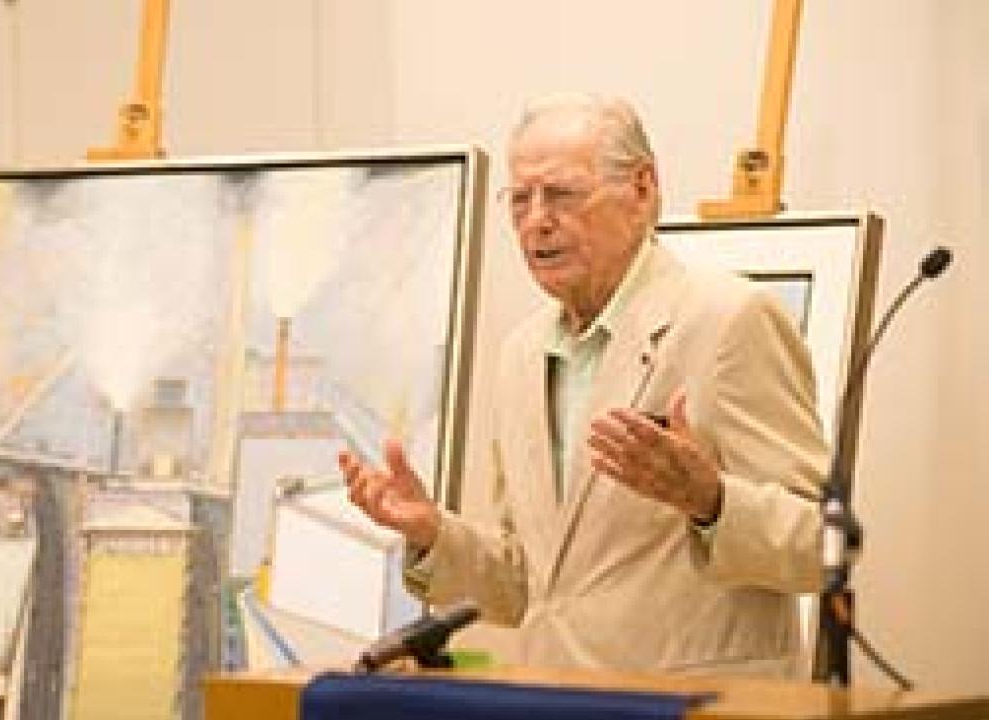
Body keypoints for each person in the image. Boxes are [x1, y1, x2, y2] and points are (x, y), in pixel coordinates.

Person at [339, 93, 826, 677]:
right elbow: (532, 581)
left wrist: (712, 501)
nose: (537, 221)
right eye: (520, 200)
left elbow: (825, 545)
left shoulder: (728, 319)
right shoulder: (521, 354)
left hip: (693, 708)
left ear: (642, 190)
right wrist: (432, 532)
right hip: (559, 700)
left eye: (562, 195)